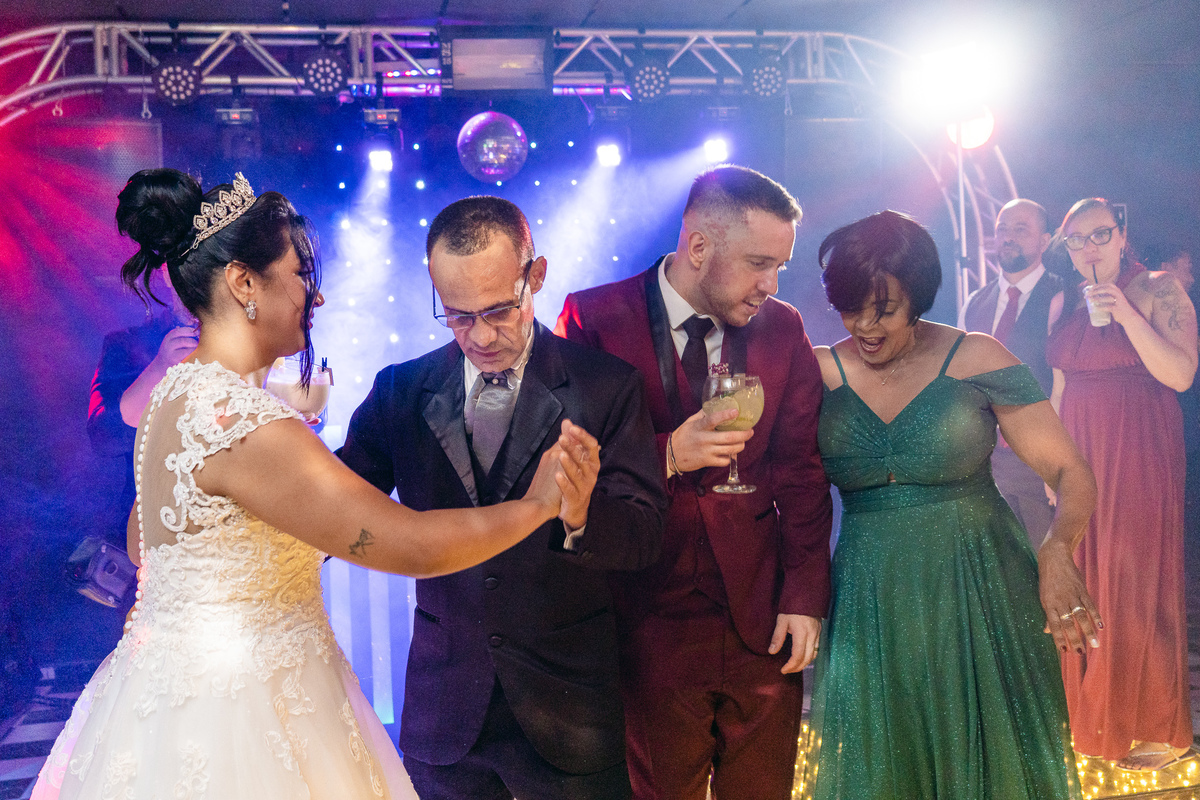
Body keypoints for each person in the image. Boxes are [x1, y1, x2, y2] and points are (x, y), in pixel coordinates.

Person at [33, 169, 596, 800]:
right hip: (245, 713)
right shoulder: (242, 421)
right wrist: (540, 504)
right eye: (301, 274)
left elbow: (145, 544)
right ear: (245, 282)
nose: (315, 297)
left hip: (163, 694)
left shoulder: (173, 397)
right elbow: (405, 544)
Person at [338, 196, 666, 800]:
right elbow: (332, 509)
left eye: (499, 310)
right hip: (445, 710)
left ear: (534, 276)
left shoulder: (606, 386)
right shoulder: (400, 391)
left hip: (568, 711)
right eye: (459, 317)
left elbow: (646, 538)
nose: (482, 336)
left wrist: (582, 512)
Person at [556, 165, 831, 800]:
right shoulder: (593, 317)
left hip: (760, 617)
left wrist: (804, 594)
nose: (771, 285)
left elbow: (801, 473)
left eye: (780, 267)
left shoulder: (783, 327)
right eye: (759, 263)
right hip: (644, 618)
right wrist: (667, 454)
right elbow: (565, 466)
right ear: (698, 246)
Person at [805, 210, 1098, 799]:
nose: (865, 325)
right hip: (871, 600)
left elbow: (1072, 471)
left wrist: (1057, 548)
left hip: (982, 589)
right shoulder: (817, 372)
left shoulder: (976, 357)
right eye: (850, 307)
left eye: (884, 308)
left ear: (918, 295)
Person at [1047, 198, 1198, 770]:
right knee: (1084, 580)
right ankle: (1094, 717)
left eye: (1100, 234)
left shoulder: (1158, 289)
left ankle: (1161, 724)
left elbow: (1181, 375)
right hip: (1079, 453)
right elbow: (1059, 387)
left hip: (1138, 451)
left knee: (1135, 580)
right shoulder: (1067, 301)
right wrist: (1053, 465)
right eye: (1077, 239)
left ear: (1121, 234)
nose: (1090, 247)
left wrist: (1128, 315)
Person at [959, 198, 1062, 547]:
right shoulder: (975, 302)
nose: (1008, 236)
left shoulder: (1063, 296)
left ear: (1045, 241)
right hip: (986, 466)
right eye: (1002, 228)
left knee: (1046, 572)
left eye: (1021, 229)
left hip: (1037, 461)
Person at [88, 270, 198, 549]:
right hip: (152, 534)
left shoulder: (247, 344)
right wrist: (160, 368)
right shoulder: (127, 343)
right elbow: (104, 436)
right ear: (169, 273)